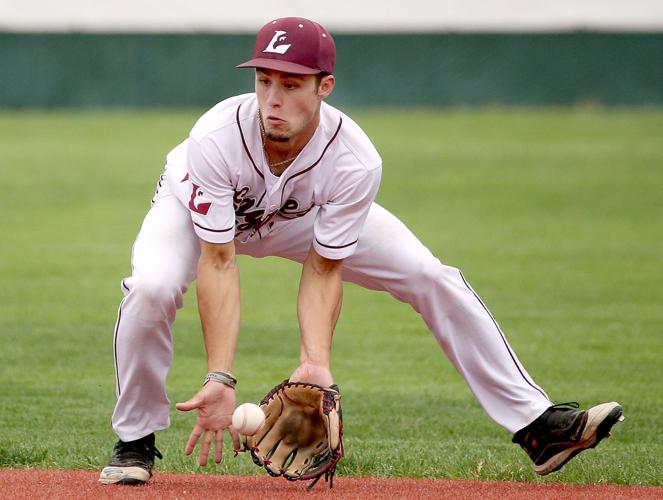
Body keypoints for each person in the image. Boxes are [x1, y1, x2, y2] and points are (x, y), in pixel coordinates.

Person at [99, 17, 623, 486]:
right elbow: (219, 261)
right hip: (196, 213)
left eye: (291, 83)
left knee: (429, 274)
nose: (272, 99)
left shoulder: (353, 160)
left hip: (300, 215)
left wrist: (315, 365)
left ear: (325, 87)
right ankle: (136, 439)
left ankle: (537, 427)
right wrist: (220, 376)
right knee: (152, 287)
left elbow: (325, 268)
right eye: (263, 81)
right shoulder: (215, 137)